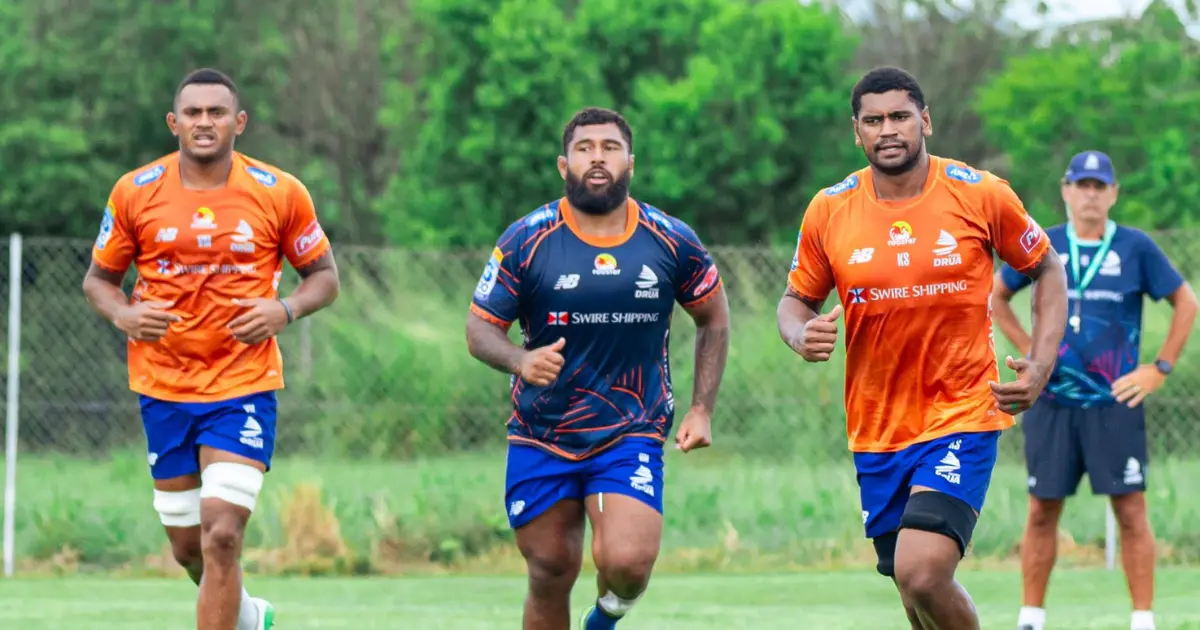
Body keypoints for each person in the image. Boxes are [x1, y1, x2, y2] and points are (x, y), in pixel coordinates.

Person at [777, 66, 1069, 630]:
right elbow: (794, 302)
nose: (888, 130)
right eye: (874, 120)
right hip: (877, 426)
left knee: (923, 570)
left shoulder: (980, 192)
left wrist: (1040, 361)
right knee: (912, 590)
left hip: (962, 410)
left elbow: (1046, 269)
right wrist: (799, 334)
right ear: (856, 132)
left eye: (900, 117)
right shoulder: (829, 208)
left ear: (925, 121)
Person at [82, 68, 340, 630]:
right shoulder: (136, 189)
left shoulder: (280, 192)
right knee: (188, 547)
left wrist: (285, 309)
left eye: (216, 113)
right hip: (162, 385)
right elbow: (98, 281)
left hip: (242, 385)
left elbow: (324, 277)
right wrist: (125, 313)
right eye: (193, 113)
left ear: (238, 123)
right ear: (174, 123)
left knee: (222, 532)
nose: (205, 123)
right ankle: (249, 617)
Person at [465, 106, 730, 630]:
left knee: (627, 564)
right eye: (585, 148)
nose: (598, 158)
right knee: (549, 570)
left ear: (631, 161)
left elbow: (714, 318)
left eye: (610, 148)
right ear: (564, 165)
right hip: (542, 434)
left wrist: (701, 408)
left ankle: (604, 619)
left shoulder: (670, 238)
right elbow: (478, 330)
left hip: (629, 431)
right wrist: (521, 360)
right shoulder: (526, 238)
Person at [992, 151, 1198, 630]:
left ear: (1113, 193)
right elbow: (996, 297)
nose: (1089, 194)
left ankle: (1143, 619)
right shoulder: (1042, 245)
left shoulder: (1135, 247)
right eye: (1081, 185)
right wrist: (1032, 355)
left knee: (1130, 509)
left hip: (1115, 403)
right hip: (1052, 400)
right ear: (1065, 189)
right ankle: (1031, 618)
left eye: (1098, 186)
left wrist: (1159, 368)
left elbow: (1186, 303)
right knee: (1042, 508)